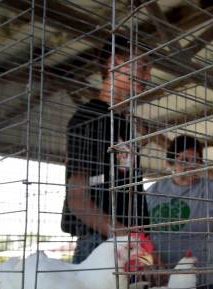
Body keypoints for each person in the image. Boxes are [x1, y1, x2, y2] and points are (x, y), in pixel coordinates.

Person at [62, 36, 152, 263]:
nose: (148, 76)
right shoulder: (90, 116)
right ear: (115, 64)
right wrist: (131, 240)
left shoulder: (124, 124)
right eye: (143, 67)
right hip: (100, 244)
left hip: (127, 243)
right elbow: (77, 199)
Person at [145, 135, 213, 289]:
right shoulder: (152, 193)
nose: (190, 165)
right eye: (184, 160)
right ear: (170, 163)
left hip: (204, 281)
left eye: (196, 160)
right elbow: (140, 232)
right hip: (163, 279)